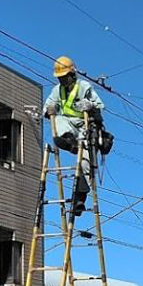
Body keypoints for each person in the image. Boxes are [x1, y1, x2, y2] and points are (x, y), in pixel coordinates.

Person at [43, 56, 107, 217]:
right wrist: (49, 109)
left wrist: (91, 106)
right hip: (70, 127)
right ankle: (69, 142)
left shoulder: (84, 87)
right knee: (58, 120)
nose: (62, 80)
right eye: (60, 78)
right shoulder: (57, 90)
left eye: (65, 77)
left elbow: (100, 106)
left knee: (85, 164)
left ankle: (80, 199)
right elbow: (48, 106)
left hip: (86, 127)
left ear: (72, 74)